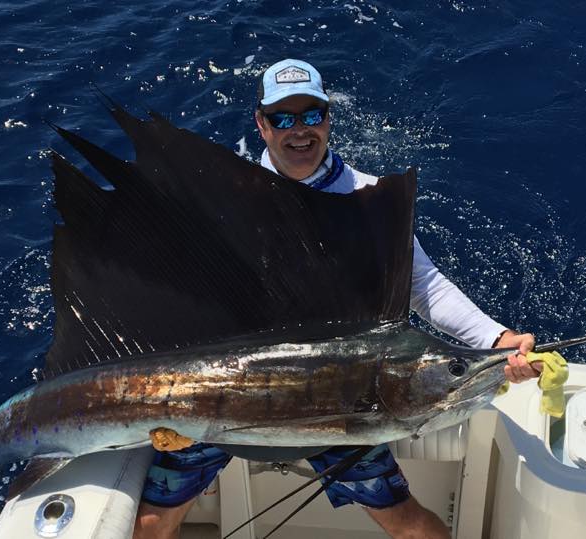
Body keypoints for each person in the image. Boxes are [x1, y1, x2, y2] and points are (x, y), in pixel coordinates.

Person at [134, 58, 541, 539]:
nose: (299, 130)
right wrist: (170, 404)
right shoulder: (223, 203)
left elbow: (424, 286)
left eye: (311, 115)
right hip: (225, 397)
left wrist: (496, 338)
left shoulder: (367, 198)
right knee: (150, 526)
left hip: (346, 401)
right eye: (283, 118)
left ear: (328, 118)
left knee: (409, 525)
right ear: (261, 124)